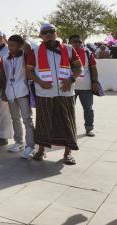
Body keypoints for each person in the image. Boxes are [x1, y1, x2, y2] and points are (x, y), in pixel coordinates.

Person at [26, 23, 81, 165]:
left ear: (57, 32)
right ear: (40, 36)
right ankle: (41, 151)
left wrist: (71, 79)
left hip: (66, 92)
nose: (48, 34)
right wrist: (40, 82)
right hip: (44, 93)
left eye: (51, 31)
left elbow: (78, 67)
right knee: (43, 122)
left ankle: (67, 153)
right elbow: (29, 71)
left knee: (67, 122)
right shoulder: (35, 51)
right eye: (45, 32)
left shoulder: (68, 49)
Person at [2, 35, 35, 158]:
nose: (9, 48)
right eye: (8, 45)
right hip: (10, 91)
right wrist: (5, 92)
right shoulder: (6, 58)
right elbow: (4, 75)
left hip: (23, 91)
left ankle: (30, 145)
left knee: (27, 120)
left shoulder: (25, 55)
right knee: (15, 118)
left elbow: (28, 47)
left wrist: (23, 41)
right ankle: (19, 142)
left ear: (20, 45)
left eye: (12, 45)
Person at [69, 34, 99, 137]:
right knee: (69, 110)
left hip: (86, 87)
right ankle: (69, 130)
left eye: (79, 42)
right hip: (70, 87)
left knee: (88, 109)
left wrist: (95, 82)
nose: (77, 44)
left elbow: (94, 68)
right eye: (74, 42)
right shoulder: (66, 53)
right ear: (70, 43)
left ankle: (89, 129)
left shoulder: (87, 53)